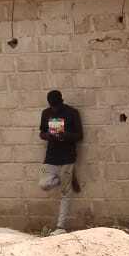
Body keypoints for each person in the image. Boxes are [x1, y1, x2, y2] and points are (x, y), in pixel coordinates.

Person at [38, 89, 83, 234]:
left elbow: (79, 135)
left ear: (61, 101)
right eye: (52, 106)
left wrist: (64, 135)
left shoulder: (72, 113)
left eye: (56, 106)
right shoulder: (46, 113)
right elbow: (41, 133)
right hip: (50, 157)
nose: (55, 109)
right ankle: (64, 179)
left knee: (65, 193)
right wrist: (48, 135)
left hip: (67, 158)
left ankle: (60, 227)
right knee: (43, 184)